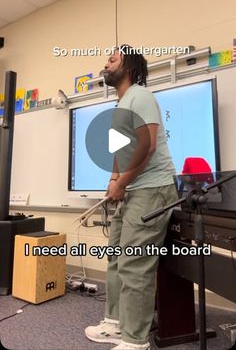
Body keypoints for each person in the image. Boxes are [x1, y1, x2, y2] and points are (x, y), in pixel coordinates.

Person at [85, 45, 178, 350]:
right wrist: (114, 180)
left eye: (112, 59)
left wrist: (122, 183)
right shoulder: (122, 104)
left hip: (152, 189)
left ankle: (136, 341)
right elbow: (119, 149)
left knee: (135, 263)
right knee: (116, 256)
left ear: (130, 67)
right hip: (133, 188)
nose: (106, 63)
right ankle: (114, 323)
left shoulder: (141, 95)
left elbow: (147, 145)